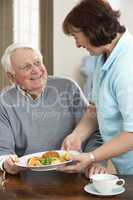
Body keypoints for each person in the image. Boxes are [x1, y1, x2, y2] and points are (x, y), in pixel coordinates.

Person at [0, 43, 105, 175]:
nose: (36, 70)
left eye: (37, 63)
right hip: (27, 179)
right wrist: (7, 164)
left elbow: (93, 132)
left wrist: (94, 160)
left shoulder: (68, 87)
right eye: (26, 67)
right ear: (11, 77)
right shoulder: (4, 103)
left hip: (72, 174)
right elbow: (3, 152)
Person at [60, 0, 133, 176]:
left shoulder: (127, 67)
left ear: (91, 30)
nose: (77, 44)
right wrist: (77, 136)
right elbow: (95, 108)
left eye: (75, 36)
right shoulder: (103, 57)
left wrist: (91, 156)